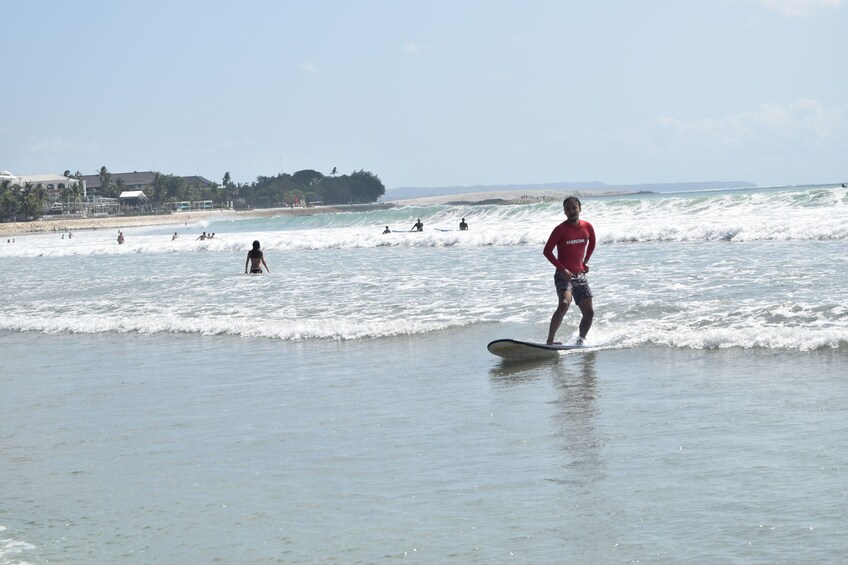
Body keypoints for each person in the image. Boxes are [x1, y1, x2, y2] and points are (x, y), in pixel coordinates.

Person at [543, 196, 596, 345]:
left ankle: (581, 340)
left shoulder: (587, 226)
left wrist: (585, 261)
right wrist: (562, 269)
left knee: (589, 313)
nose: (572, 211)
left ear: (580, 208)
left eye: (574, 208)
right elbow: (547, 251)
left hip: (580, 275)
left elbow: (592, 242)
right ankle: (550, 341)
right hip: (563, 275)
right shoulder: (560, 230)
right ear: (564, 212)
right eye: (568, 209)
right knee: (564, 303)